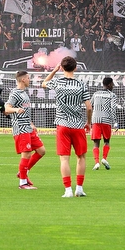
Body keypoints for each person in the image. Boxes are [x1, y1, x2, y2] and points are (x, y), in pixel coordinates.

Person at [42, 56, 91, 198]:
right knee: (81, 157)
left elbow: (44, 83)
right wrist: (88, 123)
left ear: (62, 68)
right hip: (77, 125)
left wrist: (54, 70)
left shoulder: (57, 82)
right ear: (75, 68)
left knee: (64, 159)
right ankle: (79, 188)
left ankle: (68, 190)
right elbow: (88, 107)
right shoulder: (81, 84)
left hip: (62, 124)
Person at [4, 70, 46, 189]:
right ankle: (22, 183)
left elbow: (26, 111)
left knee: (41, 151)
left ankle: (23, 172)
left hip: (28, 127)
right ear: (23, 79)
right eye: (28, 78)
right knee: (26, 154)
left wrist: (31, 124)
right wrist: (16, 110)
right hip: (21, 128)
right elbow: (7, 108)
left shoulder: (24, 93)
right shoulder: (15, 93)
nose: (29, 80)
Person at [90, 76, 118, 170]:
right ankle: (104, 159)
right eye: (112, 84)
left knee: (96, 143)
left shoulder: (96, 94)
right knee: (106, 141)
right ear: (109, 84)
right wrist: (115, 122)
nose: (113, 86)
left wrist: (89, 120)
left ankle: (96, 162)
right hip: (106, 120)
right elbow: (113, 109)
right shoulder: (112, 95)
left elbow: (90, 106)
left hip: (95, 120)